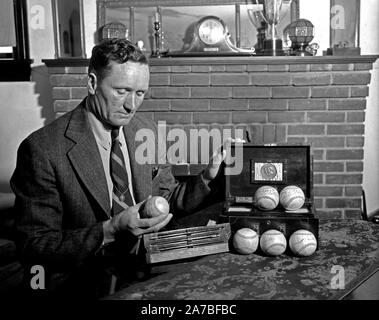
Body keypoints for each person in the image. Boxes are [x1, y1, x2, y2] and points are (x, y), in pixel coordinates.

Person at [10, 38, 232, 299]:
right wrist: (110, 230)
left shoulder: (145, 130)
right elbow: (34, 246)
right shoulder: (43, 149)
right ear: (92, 83)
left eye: (139, 94)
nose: (132, 105)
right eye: (121, 91)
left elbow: (166, 197)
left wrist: (207, 177)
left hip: (144, 268)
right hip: (83, 279)